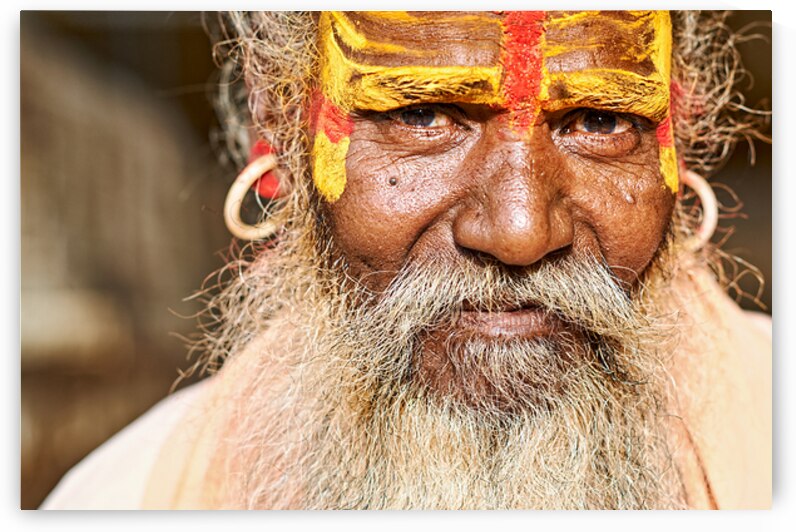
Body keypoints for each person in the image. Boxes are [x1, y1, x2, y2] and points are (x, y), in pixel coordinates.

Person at [42, 10, 771, 510]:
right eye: (422, 115)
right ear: (283, 129)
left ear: (685, 130)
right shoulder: (119, 500)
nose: (519, 233)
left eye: (601, 120)